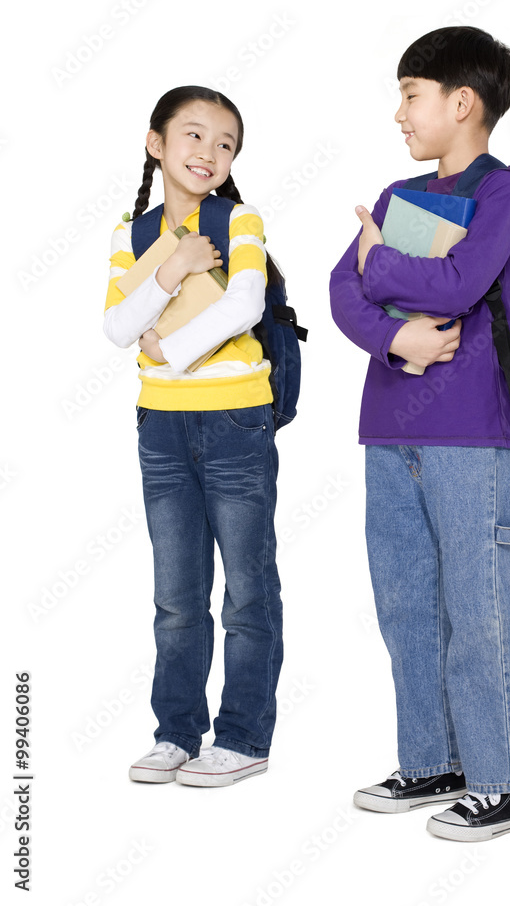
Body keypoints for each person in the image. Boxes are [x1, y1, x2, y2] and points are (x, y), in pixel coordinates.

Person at [330, 27, 510, 841]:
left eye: (410, 94)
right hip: (388, 428)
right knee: (406, 603)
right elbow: (339, 290)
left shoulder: (502, 193)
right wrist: (396, 338)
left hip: (471, 432)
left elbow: (458, 284)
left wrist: (382, 268)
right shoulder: (394, 197)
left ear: (462, 104)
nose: (398, 113)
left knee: (479, 607)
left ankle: (504, 781)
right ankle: (433, 761)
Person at [103, 85, 283, 788]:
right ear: (157, 144)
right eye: (194, 135)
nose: (209, 153)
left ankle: (241, 737)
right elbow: (116, 327)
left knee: (246, 586)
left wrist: (164, 351)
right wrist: (173, 270)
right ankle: (176, 732)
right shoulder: (134, 234)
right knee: (176, 593)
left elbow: (247, 300)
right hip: (162, 426)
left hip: (237, 416)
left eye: (225, 143)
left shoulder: (240, 219)